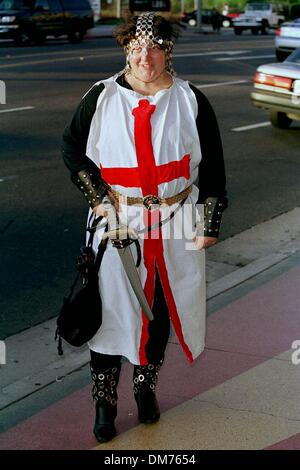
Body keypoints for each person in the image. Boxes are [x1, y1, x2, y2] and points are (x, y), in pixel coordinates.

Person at [61, 12, 227, 443]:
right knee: (112, 312)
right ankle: (105, 401)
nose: (143, 56)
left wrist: (209, 221)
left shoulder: (191, 100)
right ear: (125, 50)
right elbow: (72, 150)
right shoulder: (101, 97)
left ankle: (145, 387)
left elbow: (213, 169)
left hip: (176, 219)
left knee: (159, 310)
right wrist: (99, 200)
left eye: (153, 47)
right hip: (117, 220)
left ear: (167, 51)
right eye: (134, 47)